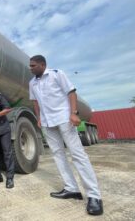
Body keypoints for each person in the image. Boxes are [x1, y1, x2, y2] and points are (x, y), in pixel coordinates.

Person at [28, 54, 103, 215]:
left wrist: (74, 113)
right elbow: (35, 101)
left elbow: (71, 92)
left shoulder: (56, 74)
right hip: (48, 122)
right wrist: (39, 117)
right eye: (30, 65)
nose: (30, 68)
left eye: (33, 65)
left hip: (64, 119)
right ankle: (71, 189)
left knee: (77, 154)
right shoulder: (32, 83)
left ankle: (94, 196)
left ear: (42, 65)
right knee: (58, 154)